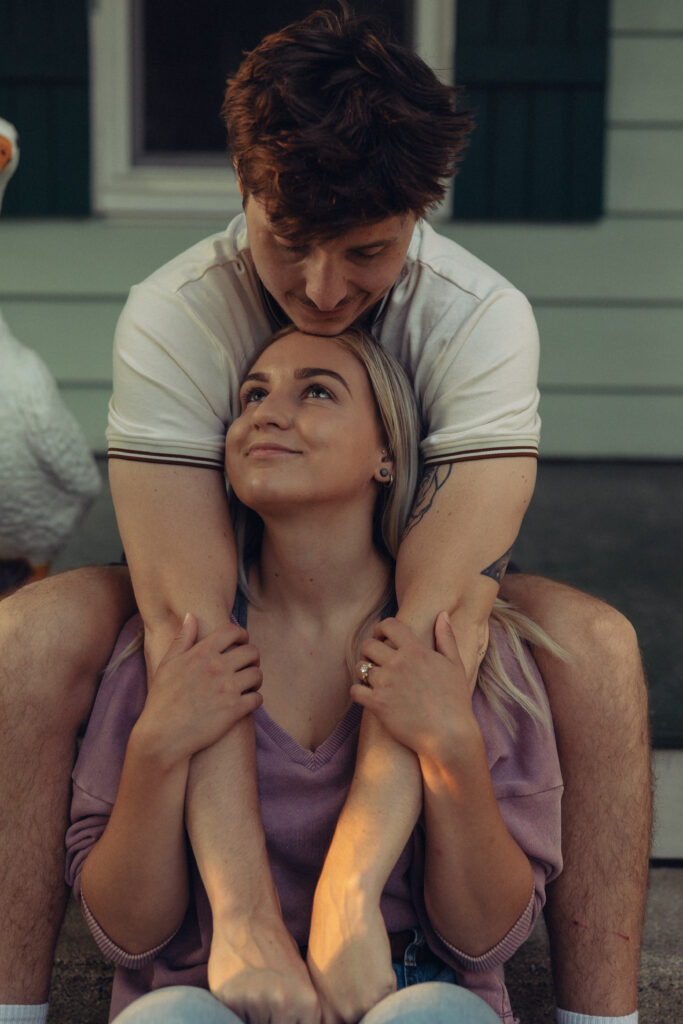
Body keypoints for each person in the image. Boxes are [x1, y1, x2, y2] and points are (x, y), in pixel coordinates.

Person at [0, 8, 649, 1024]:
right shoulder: (176, 313)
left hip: (403, 583)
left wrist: (349, 891)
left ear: (421, 209)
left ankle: (598, 1015)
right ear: (242, 187)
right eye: (288, 243)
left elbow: (439, 626)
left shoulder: (477, 320)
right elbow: (190, 626)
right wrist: (245, 912)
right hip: (229, 584)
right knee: (28, 632)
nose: (320, 288)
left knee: (595, 645)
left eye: (363, 253)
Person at [65, 327, 564, 1024]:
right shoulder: (169, 643)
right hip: (210, 998)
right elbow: (125, 932)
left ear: (385, 456)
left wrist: (451, 746)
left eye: (317, 391)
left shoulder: (469, 649)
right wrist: (156, 748)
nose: (267, 412)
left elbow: (484, 939)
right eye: (253, 395)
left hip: (406, 995)